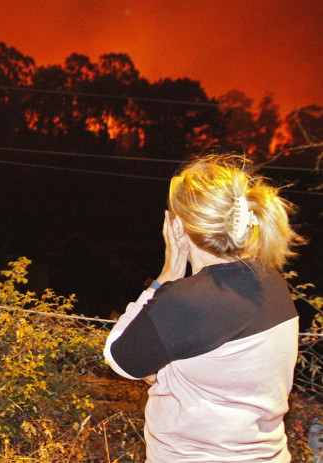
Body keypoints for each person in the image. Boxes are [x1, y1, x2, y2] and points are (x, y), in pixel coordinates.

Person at [104, 155, 306, 462]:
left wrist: (167, 275)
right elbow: (219, 365)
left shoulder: (186, 301)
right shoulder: (270, 282)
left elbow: (119, 357)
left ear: (178, 226)